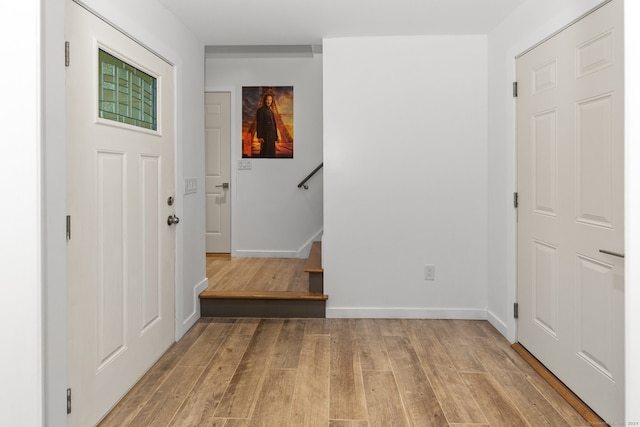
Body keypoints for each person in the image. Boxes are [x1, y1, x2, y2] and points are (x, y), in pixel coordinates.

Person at [256, 93, 278, 157]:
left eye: (270, 100)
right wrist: (259, 136)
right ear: (264, 100)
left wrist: (276, 136)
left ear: (272, 101)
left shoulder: (271, 111)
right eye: (267, 99)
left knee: (272, 154)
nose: (269, 101)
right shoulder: (260, 110)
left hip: (272, 137)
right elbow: (259, 123)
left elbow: (274, 124)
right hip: (265, 136)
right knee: (265, 154)